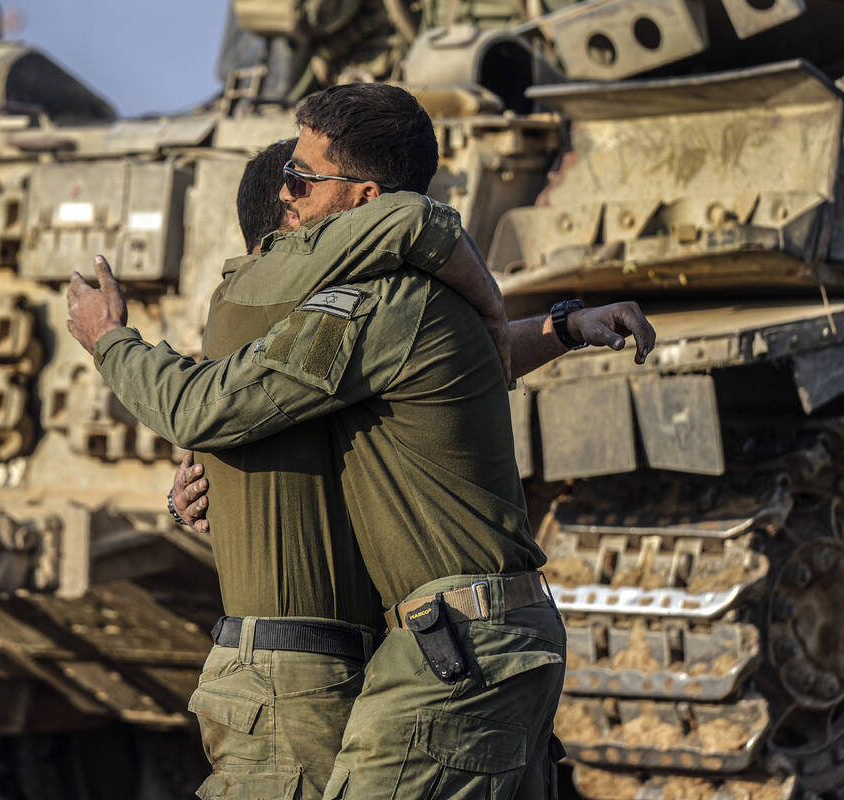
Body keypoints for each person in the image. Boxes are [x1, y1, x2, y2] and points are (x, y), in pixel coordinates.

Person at [67, 82, 655, 800]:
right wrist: (558, 329)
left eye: (304, 180)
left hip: (458, 650)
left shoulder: (373, 303)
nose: (288, 197)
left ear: (366, 200)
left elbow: (204, 406)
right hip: (478, 641)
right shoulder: (417, 300)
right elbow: (444, 374)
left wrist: (110, 340)